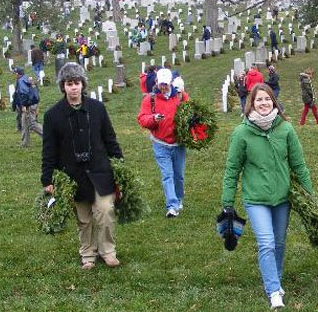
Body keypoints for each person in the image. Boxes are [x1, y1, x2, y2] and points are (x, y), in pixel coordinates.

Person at [222, 83, 313, 309]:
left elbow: (299, 164)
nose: (264, 103)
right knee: (267, 242)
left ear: (274, 101)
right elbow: (232, 170)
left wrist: (309, 195)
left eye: (268, 99)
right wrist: (227, 202)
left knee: (279, 242)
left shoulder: (285, 129)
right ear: (251, 104)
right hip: (256, 199)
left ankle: (276, 278)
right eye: (259, 100)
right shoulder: (241, 133)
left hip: (282, 198)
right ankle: (273, 292)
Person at [41, 63, 124, 270]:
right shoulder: (53, 115)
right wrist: (48, 178)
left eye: (77, 83)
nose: (74, 88)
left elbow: (109, 139)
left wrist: (120, 165)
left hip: (100, 171)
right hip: (73, 176)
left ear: (83, 84)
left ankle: (108, 251)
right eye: (69, 83)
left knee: (105, 212)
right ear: (63, 86)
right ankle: (88, 254)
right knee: (84, 219)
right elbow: (49, 150)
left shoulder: (97, 109)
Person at [137, 68, 190, 218]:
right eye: (161, 84)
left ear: (172, 82)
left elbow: (191, 112)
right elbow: (142, 118)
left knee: (178, 175)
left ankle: (179, 198)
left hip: (178, 144)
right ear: (156, 82)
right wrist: (153, 119)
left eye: (166, 84)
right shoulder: (150, 99)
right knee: (167, 175)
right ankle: (172, 206)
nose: (163, 87)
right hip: (160, 144)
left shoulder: (180, 96)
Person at [13, 67, 43, 147]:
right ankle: (24, 143)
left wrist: (24, 106)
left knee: (32, 124)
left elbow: (24, 94)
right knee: (24, 123)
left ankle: (48, 137)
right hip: (32, 103)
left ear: (18, 74)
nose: (14, 75)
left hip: (28, 105)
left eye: (15, 73)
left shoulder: (21, 81)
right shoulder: (27, 78)